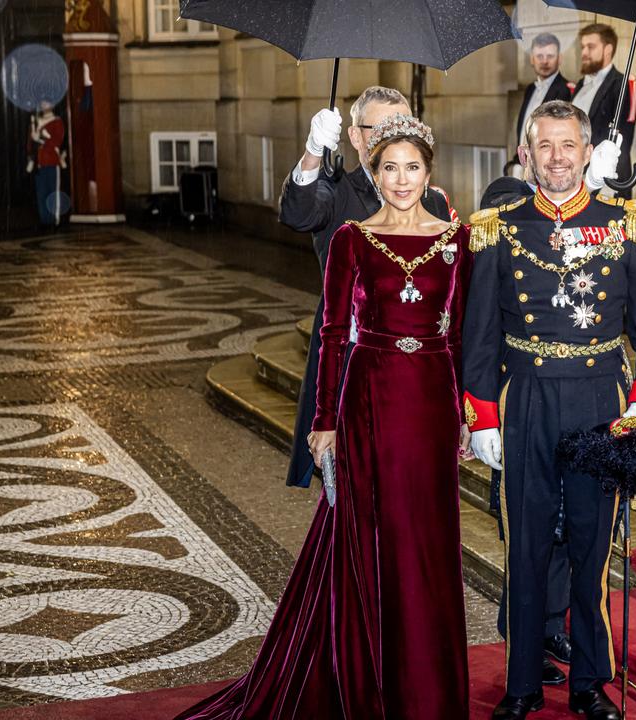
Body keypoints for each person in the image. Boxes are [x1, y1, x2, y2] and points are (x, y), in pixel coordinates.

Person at [175, 114, 471, 719]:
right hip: (369, 397)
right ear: (375, 172)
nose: (402, 179)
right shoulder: (352, 240)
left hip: (433, 402)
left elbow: (462, 333)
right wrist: (325, 421)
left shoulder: (457, 239)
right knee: (370, 530)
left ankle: (428, 687)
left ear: (429, 173)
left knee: (430, 538)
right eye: (390, 167)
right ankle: (367, 674)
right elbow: (333, 334)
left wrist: (467, 411)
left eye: (413, 167)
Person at [463, 100, 636, 720]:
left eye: (567, 145)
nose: (556, 158)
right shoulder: (498, 229)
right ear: (527, 155)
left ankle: (588, 682)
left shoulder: (624, 224)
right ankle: (522, 683)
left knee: (590, 544)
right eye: (544, 146)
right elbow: (479, 337)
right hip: (525, 397)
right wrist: (482, 416)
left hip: (599, 400)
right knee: (524, 546)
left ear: (587, 152)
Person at [278, 86, 454, 490]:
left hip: (419, 372)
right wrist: (313, 154)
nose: (394, 137)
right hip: (352, 366)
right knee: (356, 496)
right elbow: (298, 212)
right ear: (355, 137)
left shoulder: (435, 202)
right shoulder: (336, 190)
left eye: (403, 125)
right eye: (381, 128)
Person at [569, 24, 636, 198]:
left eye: (590, 47)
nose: (584, 53)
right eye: (582, 47)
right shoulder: (579, 86)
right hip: (576, 177)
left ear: (608, 49)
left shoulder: (622, 85)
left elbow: (623, 141)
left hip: (607, 181)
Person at [515, 33, 573, 152]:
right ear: (532, 59)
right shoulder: (530, 89)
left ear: (560, 58)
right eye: (539, 56)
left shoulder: (567, 90)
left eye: (550, 56)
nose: (544, 61)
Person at [26, 99, 66, 228]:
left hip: (52, 162)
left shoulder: (57, 122)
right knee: (41, 193)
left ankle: (54, 219)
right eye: (42, 104)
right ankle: (44, 220)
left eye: (46, 103)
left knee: (53, 192)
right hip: (39, 163)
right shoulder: (36, 122)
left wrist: (42, 139)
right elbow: (30, 143)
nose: (44, 106)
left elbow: (56, 142)